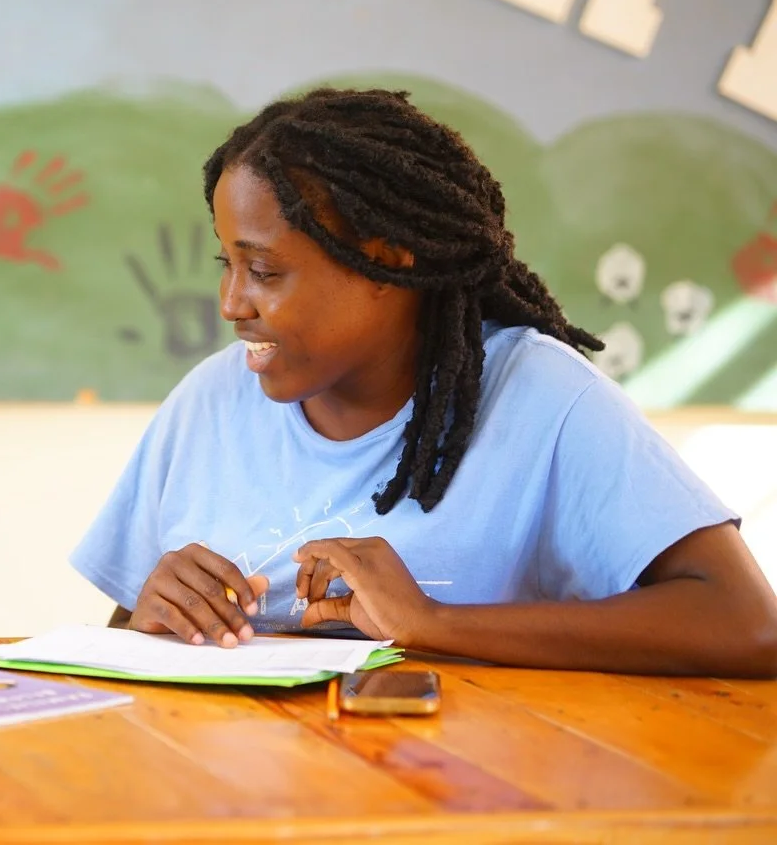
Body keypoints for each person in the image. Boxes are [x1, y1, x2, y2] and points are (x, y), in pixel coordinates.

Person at [71, 88, 777, 677]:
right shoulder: (208, 401)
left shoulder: (541, 396)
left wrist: (433, 624)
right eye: (224, 263)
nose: (231, 302)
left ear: (386, 261)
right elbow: (130, 643)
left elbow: (747, 625)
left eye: (263, 271)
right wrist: (151, 615)